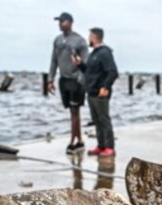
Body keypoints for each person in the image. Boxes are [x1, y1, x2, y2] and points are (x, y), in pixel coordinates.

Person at [72, 27, 119, 157]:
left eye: (90, 36)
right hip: (91, 92)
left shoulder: (105, 53)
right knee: (96, 121)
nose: (88, 39)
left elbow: (113, 72)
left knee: (104, 120)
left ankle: (109, 147)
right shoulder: (94, 53)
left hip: (100, 93)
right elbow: (90, 72)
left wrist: (105, 87)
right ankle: (101, 146)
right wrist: (80, 64)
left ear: (95, 37)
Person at [48, 12, 89, 154]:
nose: (60, 24)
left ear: (71, 22)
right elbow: (54, 60)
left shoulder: (80, 41)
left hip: (75, 80)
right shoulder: (57, 40)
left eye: (63, 21)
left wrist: (80, 78)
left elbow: (85, 63)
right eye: (59, 21)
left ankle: (73, 141)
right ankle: (80, 140)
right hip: (63, 80)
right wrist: (50, 79)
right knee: (72, 112)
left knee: (75, 111)